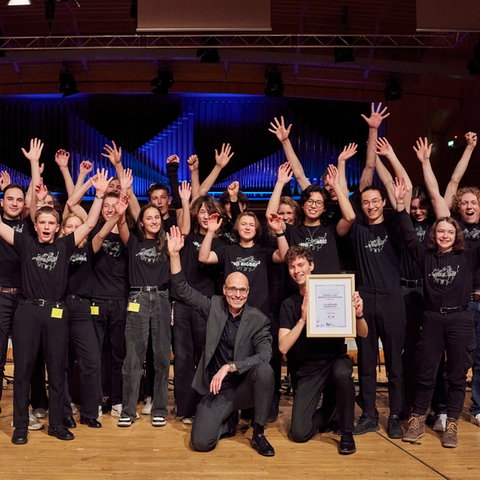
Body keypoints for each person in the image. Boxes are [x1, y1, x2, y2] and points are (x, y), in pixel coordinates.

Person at [0, 169, 110, 445]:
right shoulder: (25, 243)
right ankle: (21, 427)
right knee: (23, 370)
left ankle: (58, 424)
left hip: (56, 314)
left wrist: (99, 195)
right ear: (35, 226)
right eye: (42, 223)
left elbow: (91, 223)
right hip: (27, 313)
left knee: (58, 370)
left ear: (58, 227)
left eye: (51, 223)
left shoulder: (64, 246)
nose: (47, 227)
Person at [167, 225, 276, 457]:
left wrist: (231, 366)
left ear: (248, 293)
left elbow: (265, 355)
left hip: (245, 386)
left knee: (265, 370)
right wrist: (175, 255)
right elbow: (183, 290)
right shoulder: (213, 306)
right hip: (219, 389)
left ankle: (258, 432)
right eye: (233, 289)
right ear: (224, 290)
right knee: (201, 443)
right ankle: (227, 422)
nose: (237, 294)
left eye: (242, 290)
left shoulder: (259, 319)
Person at [393, 177, 479, 448]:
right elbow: (408, 233)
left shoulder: (468, 256)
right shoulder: (426, 255)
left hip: (460, 319)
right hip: (431, 319)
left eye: (450, 232)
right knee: (426, 372)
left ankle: (451, 423)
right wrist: (398, 205)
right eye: (440, 232)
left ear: (457, 236)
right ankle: (417, 419)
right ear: (434, 234)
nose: (444, 235)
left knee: (456, 375)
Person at [278, 245, 368, 454]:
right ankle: (330, 409)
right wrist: (303, 319)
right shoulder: (289, 304)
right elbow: (283, 346)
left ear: (311, 266)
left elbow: (363, 333)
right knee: (299, 433)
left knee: (342, 372)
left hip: (334, 360)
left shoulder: (336, 292)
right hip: (307, 369)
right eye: (292, 267)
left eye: (301, 264)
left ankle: (347, 433)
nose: (297, 270)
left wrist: (359, 314)